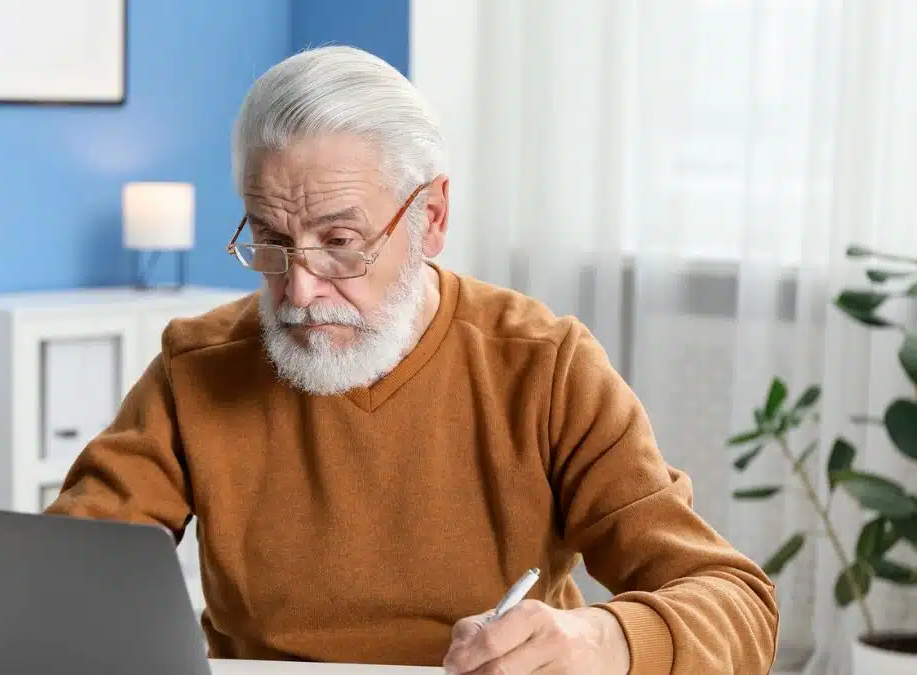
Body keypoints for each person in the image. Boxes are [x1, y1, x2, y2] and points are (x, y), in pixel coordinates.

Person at [44, 45, 779, 674]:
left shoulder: (545, 366)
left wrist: (605, 639)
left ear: (430, 217)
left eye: (339, 241)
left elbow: (737, 602)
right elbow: (63, 575)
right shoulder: (196, 367)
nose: (299, 289)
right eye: (270, 238)